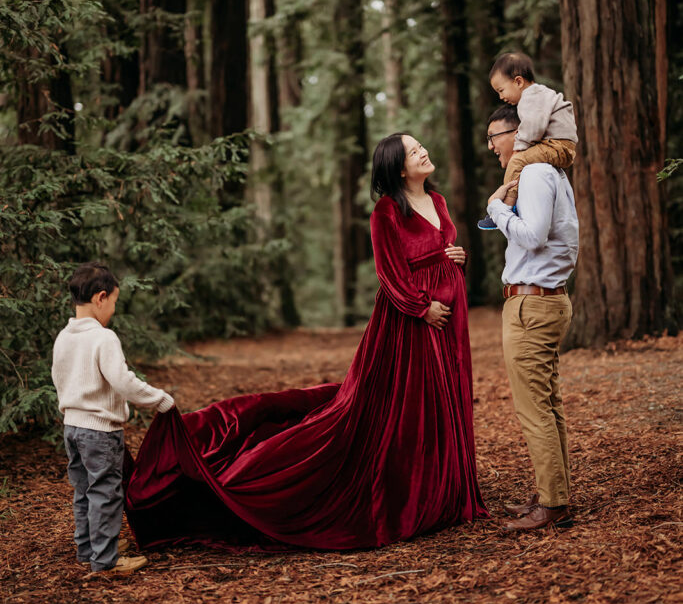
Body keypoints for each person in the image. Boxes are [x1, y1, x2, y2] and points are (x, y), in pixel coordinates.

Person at [125, 134, 488, 551]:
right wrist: (421, 307)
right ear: (398, 169)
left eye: (421, 145)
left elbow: (438, 247)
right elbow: (389, 274)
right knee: (408, 406)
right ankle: (414, 497)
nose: (424, 150)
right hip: (411, 322)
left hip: (449, 318)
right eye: (412, 151)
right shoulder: (386, 212)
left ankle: (450, 492)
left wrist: (452, 257)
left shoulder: (438, 202)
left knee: (446, 398)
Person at [484, 104, 579, 531]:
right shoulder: (548, 172)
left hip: (532, 305)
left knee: (534, 409)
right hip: (544, 301)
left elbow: (534, 236)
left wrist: (497, 209)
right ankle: (552, 492)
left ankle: (554, 504)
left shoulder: (537, 173)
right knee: (549, 404)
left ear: (519, 132)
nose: (492, 147)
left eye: (495, 137)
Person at [51, 262, 175, 575]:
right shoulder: (103, 338)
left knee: (84, 491)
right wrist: (159, 400)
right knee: (106, 493)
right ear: (101, 297)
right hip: (100, 431)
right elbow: (123, 381)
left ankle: (87, 549)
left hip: (72, 428)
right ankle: (105, 560)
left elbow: (58, 377)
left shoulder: (64, 337)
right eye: (115, 302)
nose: (114, 310)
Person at [478, 51, 578, 230]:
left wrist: (520, 146)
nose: (501, 97)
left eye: (501, 90)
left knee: (517, 160)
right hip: (559, 145)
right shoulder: (538, 94)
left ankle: (506, 208)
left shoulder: (531, 97)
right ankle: (510, 204)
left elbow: (534, 126)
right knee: (520, 161)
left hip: (557, 145)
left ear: (518, 81)